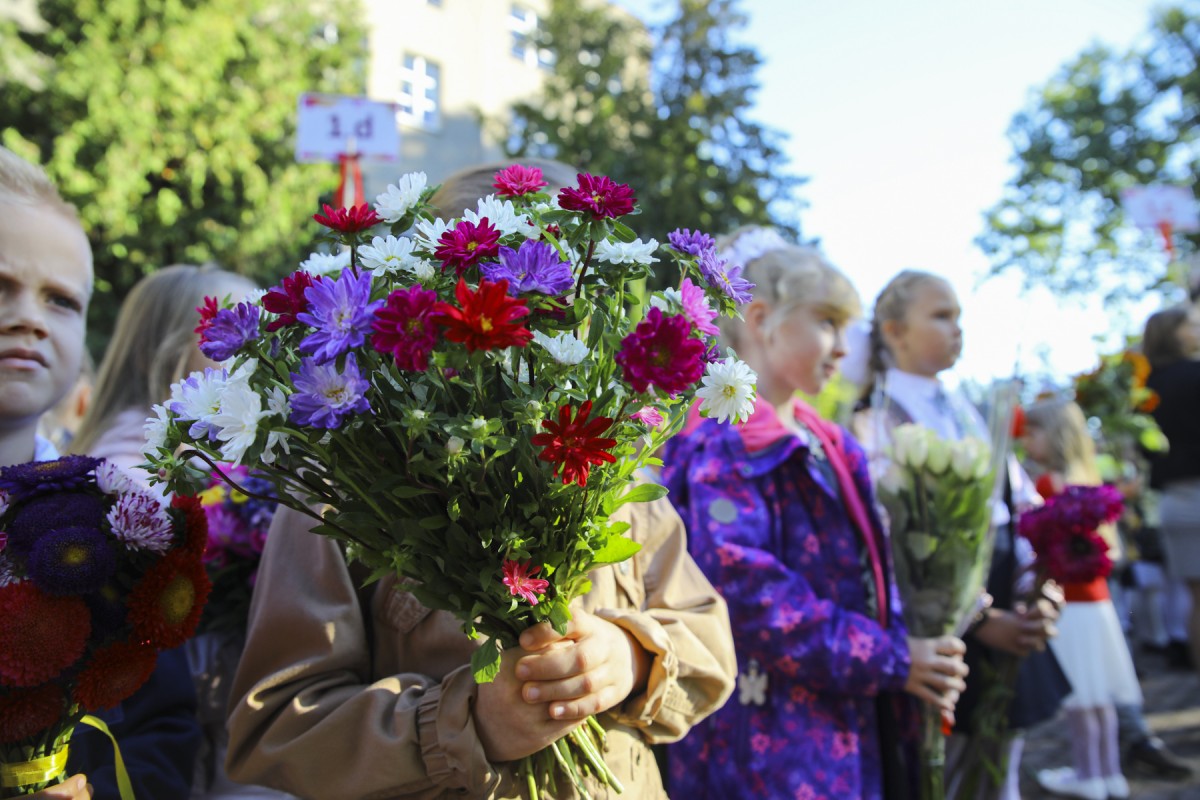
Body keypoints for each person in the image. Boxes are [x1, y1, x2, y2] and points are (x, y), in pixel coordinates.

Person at [222, 162, 738, 799]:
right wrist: (466, 723)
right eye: (483, 297)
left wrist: (630, 659)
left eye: (556, 302)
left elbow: (709, 640)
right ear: (422, 298)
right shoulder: (342, 479)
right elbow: (273, 728)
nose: (514, 331)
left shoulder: (612, 460)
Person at [658, 228, 968, 800]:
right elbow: (749, 597)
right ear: (759, 318)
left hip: (843, 716)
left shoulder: (828, 438)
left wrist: (922, 635)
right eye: (827, 322)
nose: (846, 347)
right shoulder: (726, 439)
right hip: (765, 739)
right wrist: (894, 658)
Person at [67, 264, 282, 800]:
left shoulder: (194, 453)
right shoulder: (129, 473)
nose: (247, 351)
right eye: (227, 337)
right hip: (176, 726)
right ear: (162, 350)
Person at [853, 269, 1063, 800]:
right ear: (895, 331)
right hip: (938, 625)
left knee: (998, 768)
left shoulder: (965, 407)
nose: (957, 329)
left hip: (1002, 606)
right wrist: (981, 618)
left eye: (959, 317)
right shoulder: (875, 417)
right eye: (941, 316)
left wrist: (1037, 588)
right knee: (941, 774)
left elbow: (1015, 505)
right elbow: (887, 537)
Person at [0, 145, 97, 799]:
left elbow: (157, 725)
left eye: (61, 300)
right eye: (1, 286)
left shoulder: (110, 521)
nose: (31, 317)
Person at [1021, 398, 1141, 800]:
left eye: (1033, 432)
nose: (1026, 441)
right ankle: (1109, 774)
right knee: (1100, 699)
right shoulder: (1090, 481)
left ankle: (1089, 774)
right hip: (1100, 604)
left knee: (1080, 700)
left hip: (1070, 604)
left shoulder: (1046, 486)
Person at [1143, 305, 1200, 673]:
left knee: (1197, 599)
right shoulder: (1195, 375)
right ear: (1175, 334)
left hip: (1173, 504)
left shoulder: (1144, 388)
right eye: (1192, 325)